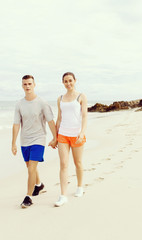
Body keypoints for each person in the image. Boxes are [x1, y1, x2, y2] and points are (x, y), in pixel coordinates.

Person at [12, 74, 57, 208]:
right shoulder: (19, 104)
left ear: (34, 85)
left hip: (39, 139)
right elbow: (16, 124)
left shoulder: (42, 102)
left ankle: (28, 197)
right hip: (24, 140)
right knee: (30, 167)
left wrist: (55, 138)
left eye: (30, 84)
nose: (27, 86)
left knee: (31, 168)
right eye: (25, 84)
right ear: (22, 86)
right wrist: (13, 143)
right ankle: (39, 185)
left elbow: (50, 121)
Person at [54, 72, 88, 207]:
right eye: (65, 81)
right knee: (63, 164)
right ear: (63, 83)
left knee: (78, 162)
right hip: (63, 134)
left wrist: (82, 132)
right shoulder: (60, 98)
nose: (68, 83)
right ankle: (63, 195)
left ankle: (80, 186)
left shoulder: (81, 96)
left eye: (70, 81)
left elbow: (84, 116)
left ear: (75, 81)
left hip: (76, 134)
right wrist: (55, 136)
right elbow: (59, 118)